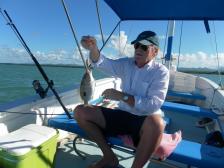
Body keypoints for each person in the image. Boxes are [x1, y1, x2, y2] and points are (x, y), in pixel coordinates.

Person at [74, 31, 169, 168]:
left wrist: (122, 96)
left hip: (143, 120)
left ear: (155, 51)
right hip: (122, 114)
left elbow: (153, 105)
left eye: (144, 47)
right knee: (80, 111)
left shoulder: (161, 72)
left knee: (157, 123)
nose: (138, 49)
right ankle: (109, 157)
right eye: (136, 45)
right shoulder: (126, 64)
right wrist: (93, 49)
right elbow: (103, 63)